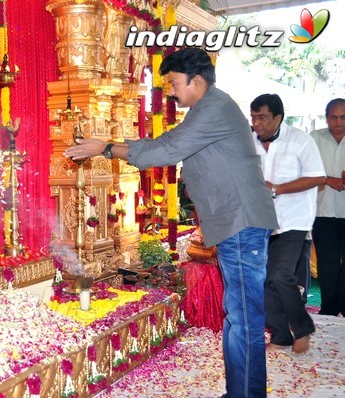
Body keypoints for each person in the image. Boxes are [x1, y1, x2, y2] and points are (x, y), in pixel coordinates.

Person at [65, 47, 278, 398]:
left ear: (196, 81)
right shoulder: (208, 108)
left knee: (244, 320)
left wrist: (105, 148)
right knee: (237, 316)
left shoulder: (214, 108)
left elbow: (166, 149)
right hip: (235, 223)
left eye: (174, 83)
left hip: (241, 223)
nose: (170, 91)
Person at [250, 94, 324, 354]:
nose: (256, 123)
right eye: (253, 117)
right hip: (260, 221)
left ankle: (302, 328)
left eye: (262, 117)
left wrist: (277, 189)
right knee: (263, 280)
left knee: (280, 275)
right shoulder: (249, 142)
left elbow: (317, 177)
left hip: (294, 220)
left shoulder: (300, 140)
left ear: (278, 117)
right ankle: (280, 335)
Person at [310, 98, 345, 316]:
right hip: (323, 211)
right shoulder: (314, 139)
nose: (339, 122)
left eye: (343, 117)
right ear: (327, 118)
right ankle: (329, 309)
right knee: (328, 264)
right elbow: (304, 172)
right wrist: (327, 179)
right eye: (334, 117)